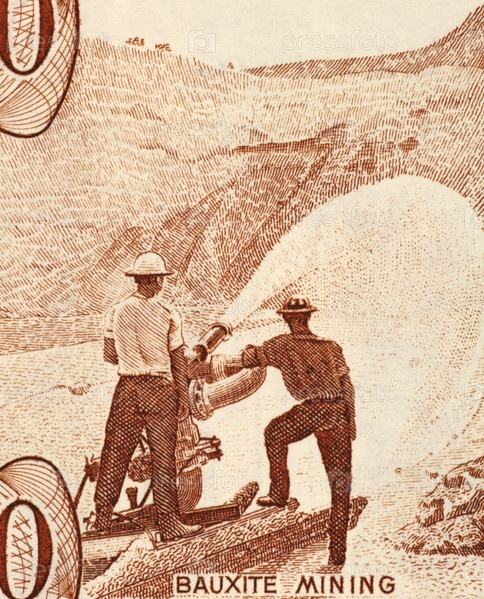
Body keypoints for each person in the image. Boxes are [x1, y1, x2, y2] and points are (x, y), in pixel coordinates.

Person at [240, 295, 355, 567]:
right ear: (308, 317)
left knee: (274, 433)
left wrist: (246, 349)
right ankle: (337, 555)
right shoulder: (331, 346)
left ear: (286, 319)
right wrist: (351, 422)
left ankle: (279, 494)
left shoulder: (281, 344)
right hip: (338, 411)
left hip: (312, 410)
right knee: (340, 485)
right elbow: (347, 385)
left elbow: (248, 359)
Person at [93, 251, 202, 540]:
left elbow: (110, 355)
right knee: (164, 459)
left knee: (114, 454)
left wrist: (133, 359)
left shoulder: (116, 311)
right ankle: (169, 524)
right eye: (161, 279)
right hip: (159, 389)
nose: (162, 283)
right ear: (155, 280)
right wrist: (183, 397)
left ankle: (101, 519)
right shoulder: (168, 312)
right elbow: (178, 359)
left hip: (126, 389)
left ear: (138, 280)